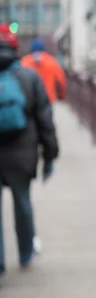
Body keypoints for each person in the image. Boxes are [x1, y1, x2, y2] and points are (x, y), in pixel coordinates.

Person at [0, 25, 59, 276]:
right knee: (22, 201)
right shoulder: (29, 77)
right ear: (15, 49)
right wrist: (49, 155)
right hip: (21, 153)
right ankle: (25, 252)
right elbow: (44, 120)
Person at [20, 38, 67, 105]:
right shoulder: (51, 61)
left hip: (29, 100)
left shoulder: (24, 61)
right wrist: (61, 96)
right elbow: (61, 80)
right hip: (48, 99)